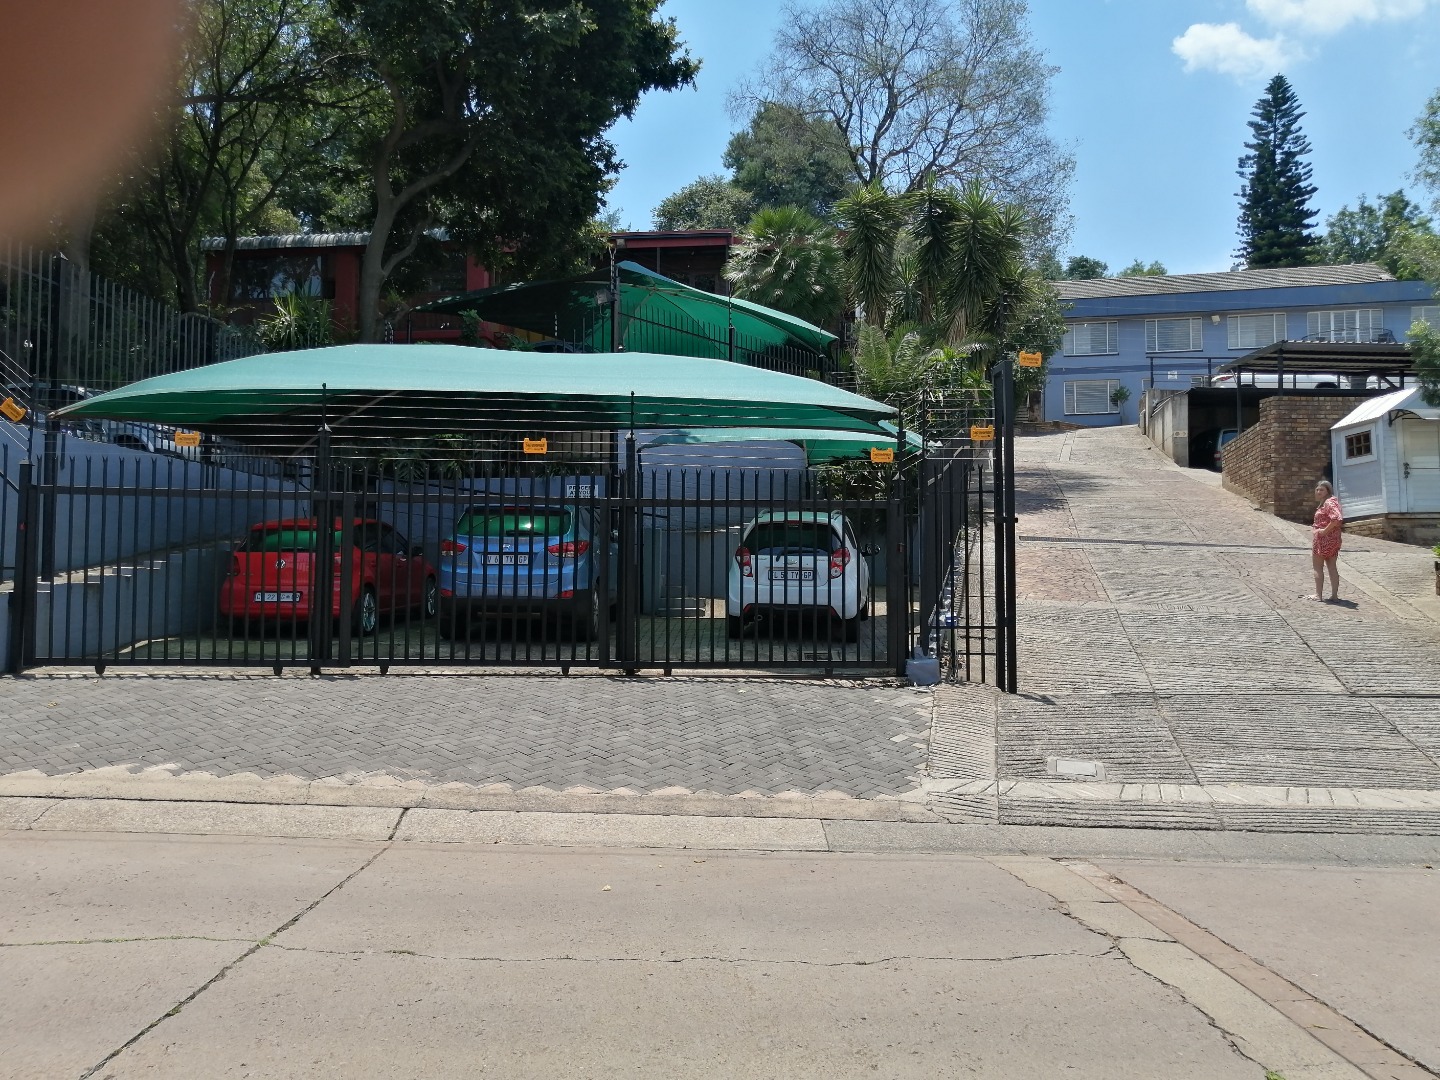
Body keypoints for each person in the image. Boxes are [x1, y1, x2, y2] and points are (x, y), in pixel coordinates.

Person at [1310, 480, 1344, 602]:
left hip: (1323, 539)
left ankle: (1318, 595)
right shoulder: (1331, 502)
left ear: (1328, 491)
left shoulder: (1329, 502)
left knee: (1317, 566)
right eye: (1317, 489)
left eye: (1322, 490)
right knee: (1332, 567)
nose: (1319, 492)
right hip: (1334, 539)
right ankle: (1334, 596)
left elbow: (1337, 518)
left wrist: (1324, 531)